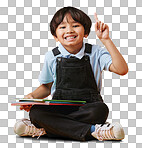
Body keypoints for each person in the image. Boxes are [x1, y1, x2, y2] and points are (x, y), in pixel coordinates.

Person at [14, 6, 128, 141]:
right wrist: (32, 97)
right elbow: (46, 87)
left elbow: (121, 70)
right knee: (36, 113)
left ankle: (46, 129)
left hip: (88, 107)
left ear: (85, 32)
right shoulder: (52, 56)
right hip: (59, 107)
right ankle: (93, 131)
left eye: (75, 25)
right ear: (55, 36)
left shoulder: (96, 52)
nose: (69, 30)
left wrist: (106, 40)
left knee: (100, 111)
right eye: (62, 27)